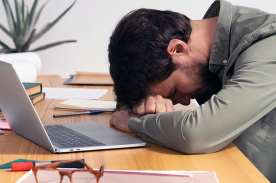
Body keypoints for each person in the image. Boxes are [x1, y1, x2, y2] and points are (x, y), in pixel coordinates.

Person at [108, 0, 276, 182]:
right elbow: (136, 91)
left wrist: (135, 122)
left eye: (175, 90)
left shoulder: (268, 47)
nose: (185, 101)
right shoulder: (208, 56)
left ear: (178, 49)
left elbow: (198, 133)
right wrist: (144, 103)